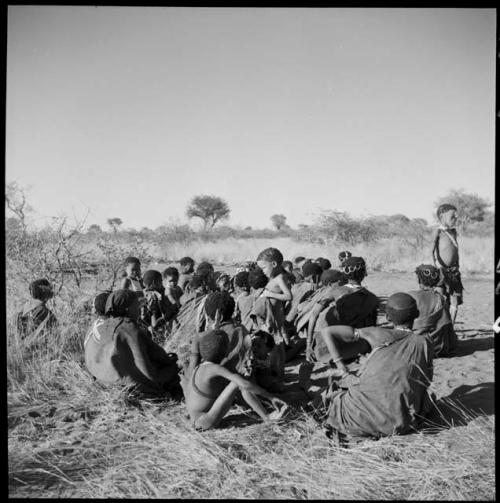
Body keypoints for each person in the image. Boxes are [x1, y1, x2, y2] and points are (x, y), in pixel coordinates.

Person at [313, 293, 434, 440]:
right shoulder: (424, 342)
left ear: (388, 317)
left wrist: (342, 367)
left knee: (334, 392)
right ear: (417, 314)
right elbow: (425, 381)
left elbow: (327, 332)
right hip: (401, 423)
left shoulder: (375, 334)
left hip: (356, 418)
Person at [180, 329, 288, 430]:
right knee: (238, 383)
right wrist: (270, 396)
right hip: (204, 421)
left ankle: (265, 414)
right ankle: (267, 418)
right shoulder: (215, 368)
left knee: (239, 382)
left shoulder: (199, 368)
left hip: (196, 420)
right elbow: (243, 384)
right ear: (223, 352)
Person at [84, 289, 181, 397]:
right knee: (175, 367)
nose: (139, 309)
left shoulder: (101, 325)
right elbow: (159, 357)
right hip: (128, 386)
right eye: (136, 305)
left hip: (102, 379)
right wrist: (173, 362)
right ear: (127, 309)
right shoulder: (129, 328)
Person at [305, 257, 379, 363]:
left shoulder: (335, 292)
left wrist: (308, 345)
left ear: (345, 274)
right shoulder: (372, 298)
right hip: (359, 344)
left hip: (333, 346)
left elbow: (314, 315)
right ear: (364, 274)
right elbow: (372, 327)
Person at [187, 291, 253, 378]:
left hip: (217, 384)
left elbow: (191, 374)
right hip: (241, 378)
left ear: (218, 317)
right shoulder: (242, 328)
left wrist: (183, 363)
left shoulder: (201, 337)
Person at [256, 247, 293, 377]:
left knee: (276, 348)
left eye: (264, 268)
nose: (263, 272)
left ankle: (278, 374)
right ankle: (277, 372)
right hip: (271, 319)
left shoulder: (279, 278)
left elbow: (288, 296)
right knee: (274, 348)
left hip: (275, 321)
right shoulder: (273, 279)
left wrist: (269, 293)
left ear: (274, 264)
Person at [408, 264, 457, 357]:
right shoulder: (441, 298)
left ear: (420, 280)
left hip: (419, 347)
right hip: (440, 348)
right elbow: (448, 328)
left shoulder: (413, 296)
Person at [431, 203, 463, 324]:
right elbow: (431, 251)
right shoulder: (438, 232)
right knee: (440, 299)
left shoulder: (453, 232)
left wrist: (458, 265)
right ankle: (440, 326)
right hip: (441, 272)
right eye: (452, 216)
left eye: (456, 216)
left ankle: (451, 327)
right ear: (442, 216)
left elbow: (456, 250)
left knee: (455, 300)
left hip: (454, 271)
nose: (455, 218)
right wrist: (435, 267)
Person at [141, 270, 179, 344]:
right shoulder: (154, 296)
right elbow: (154, 323)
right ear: (154, 283)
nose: (162, 284)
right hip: (154, 331)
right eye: (160, 281)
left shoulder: (143, 293)